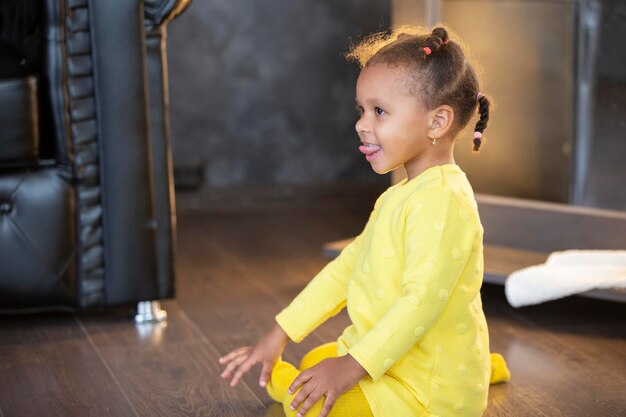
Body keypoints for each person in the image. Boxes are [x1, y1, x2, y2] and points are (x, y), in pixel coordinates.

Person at [219, 25, 511, 417]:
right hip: (392, 362)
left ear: (437, 123)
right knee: (318, 364)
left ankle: (470, 375)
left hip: (426, 393)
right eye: (362, 110)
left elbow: (420, 303)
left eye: (379, 111)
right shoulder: (400, 195)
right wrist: (280, 333)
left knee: (301, 404)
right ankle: (483, 364)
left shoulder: (444, 201)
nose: (361, 123)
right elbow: (347, 268)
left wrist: (350, 366)